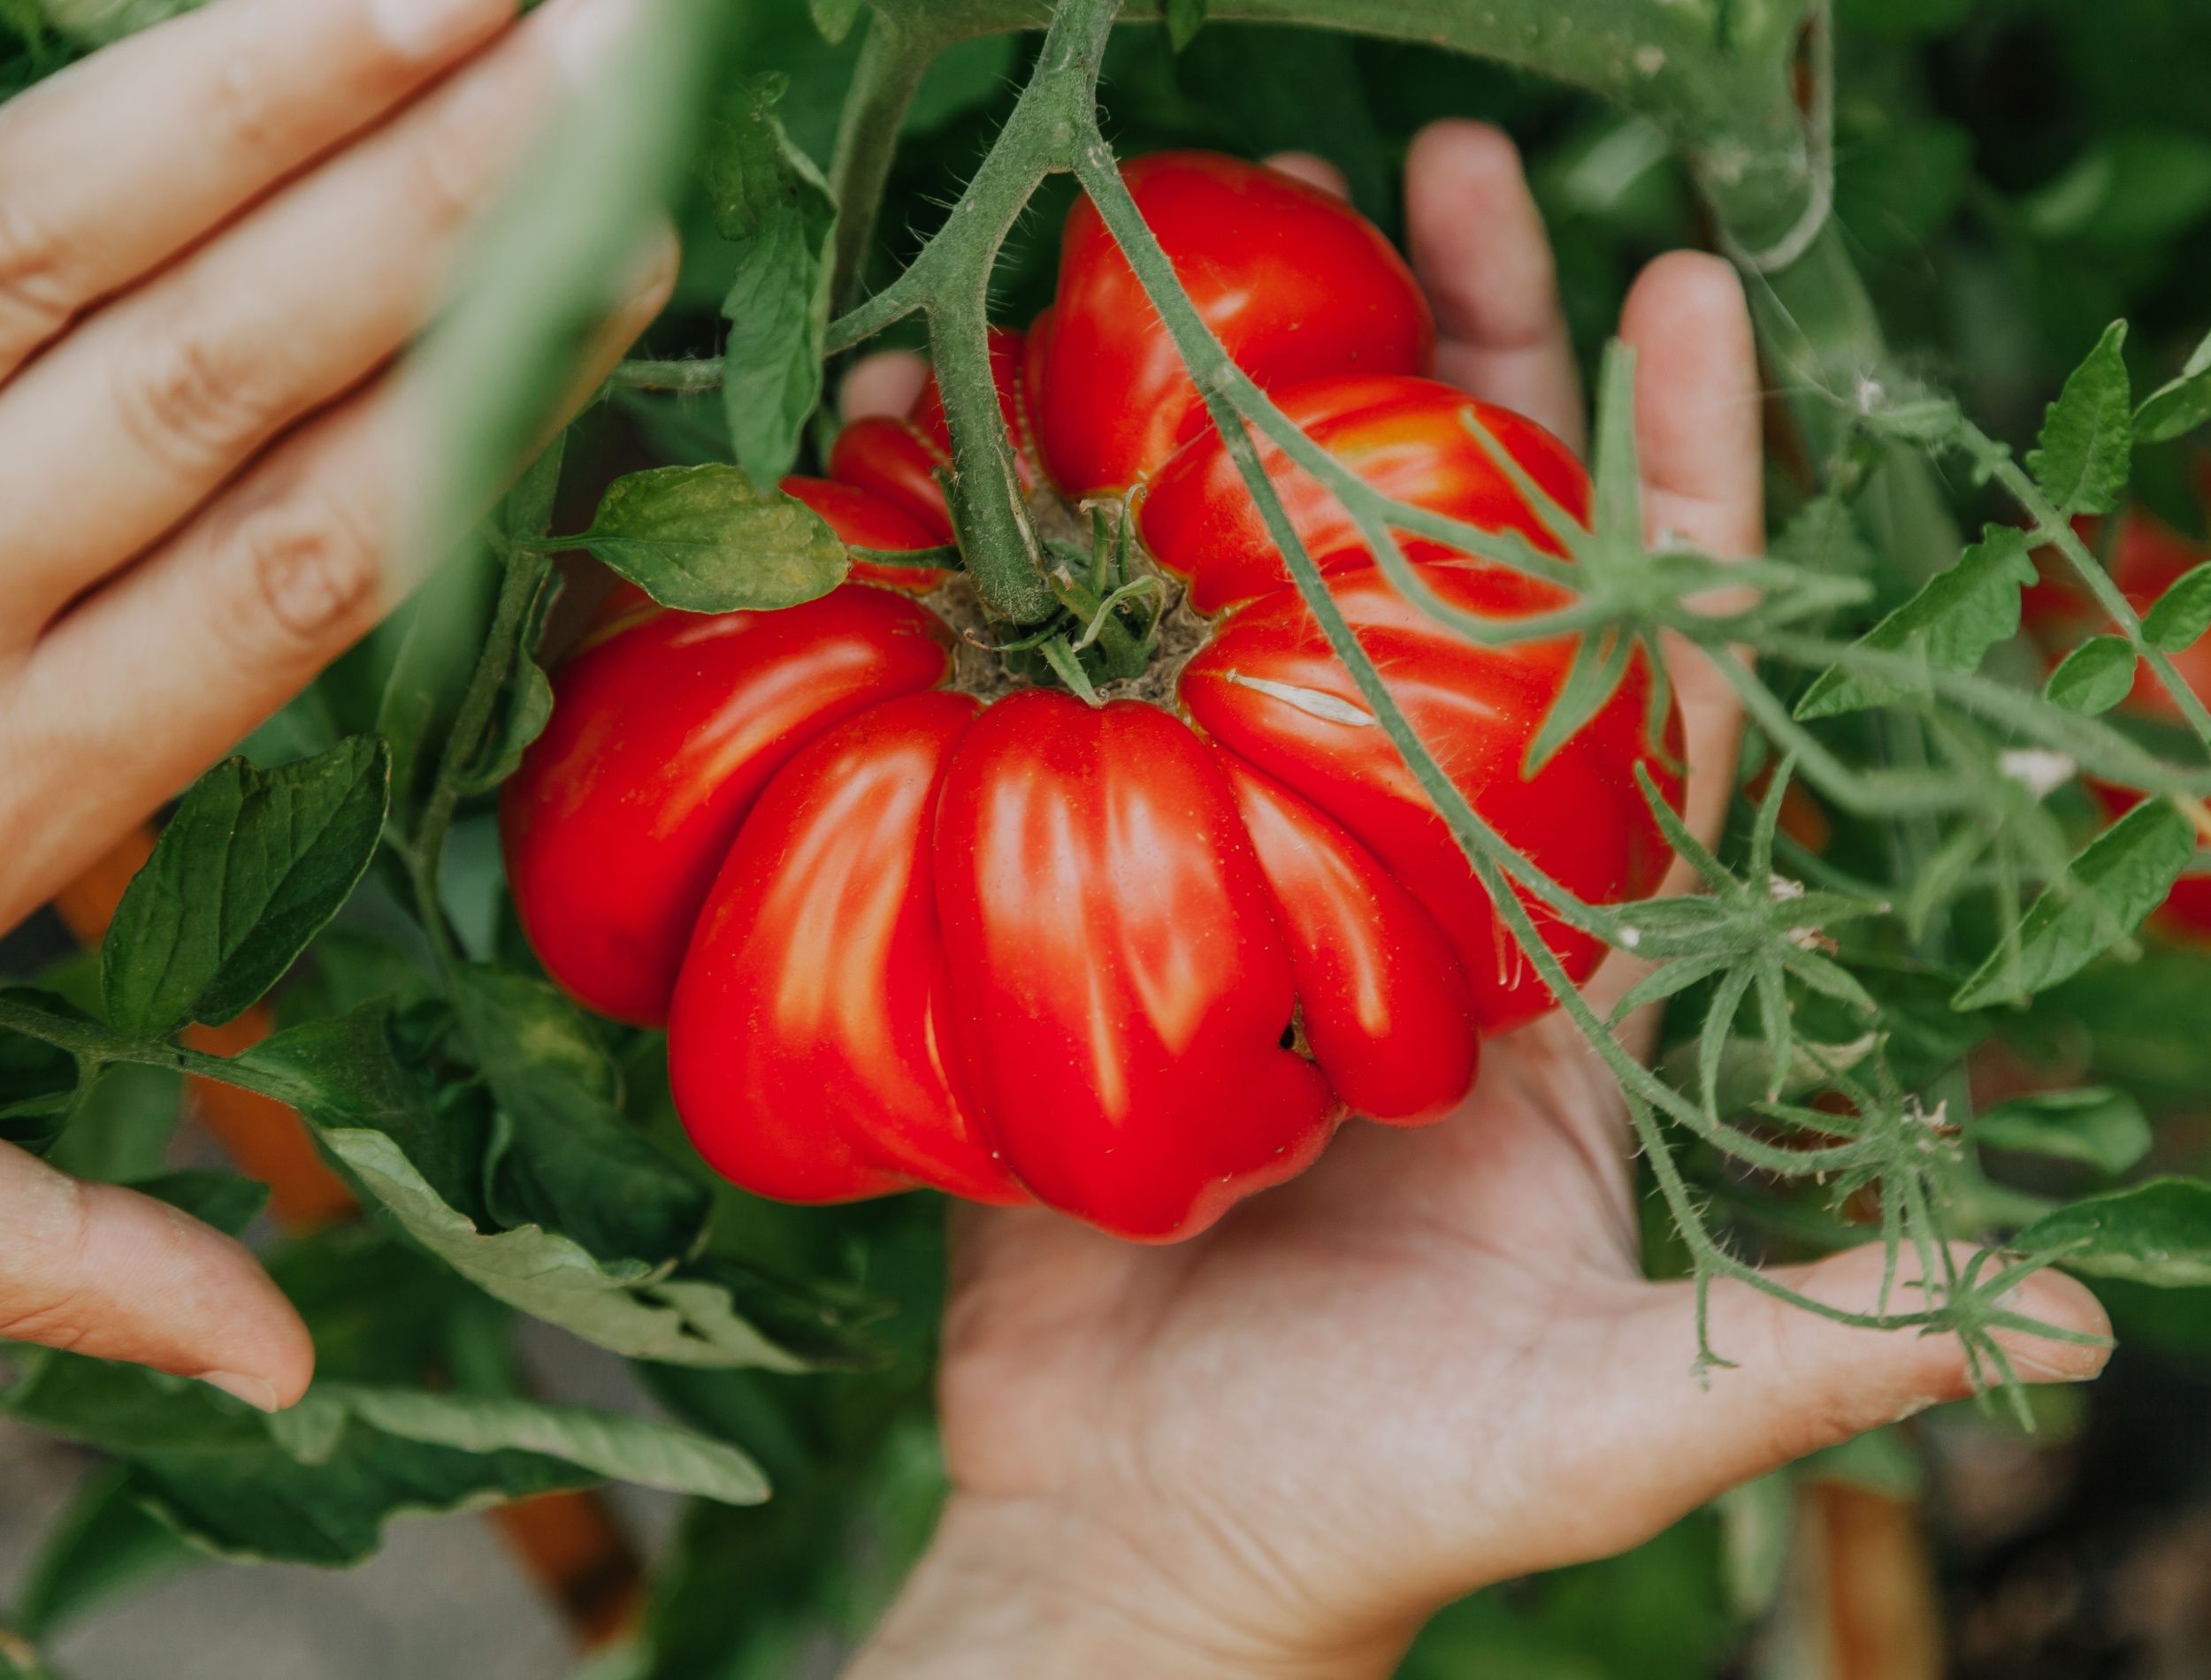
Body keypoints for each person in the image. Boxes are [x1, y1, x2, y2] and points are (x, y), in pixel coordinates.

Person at [0, 0, 2108, 1669]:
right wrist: (1146, 1600)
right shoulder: (1109, 581)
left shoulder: (799, 624)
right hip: (1215, 585)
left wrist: (1139, 1602)